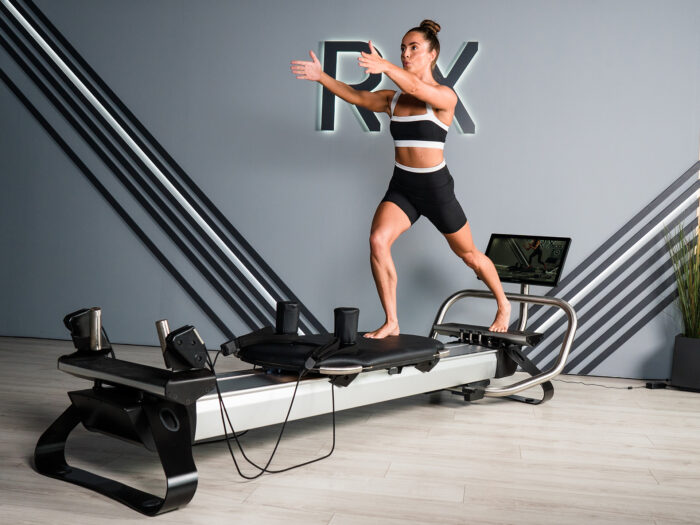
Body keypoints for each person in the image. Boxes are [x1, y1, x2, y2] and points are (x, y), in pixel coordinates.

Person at [291, 20, 511, 337]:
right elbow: (356, 97)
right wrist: (321, 76)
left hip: (435, 189)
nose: (406, 54)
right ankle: (392, 321)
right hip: (403, 186)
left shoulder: (443, 96)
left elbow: (416, 88)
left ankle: (503, 304)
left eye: (413, 48)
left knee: (470, 256)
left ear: (432, 54)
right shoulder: (392, 99)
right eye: (402, 50)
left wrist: (384, 65)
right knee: (378, 241)